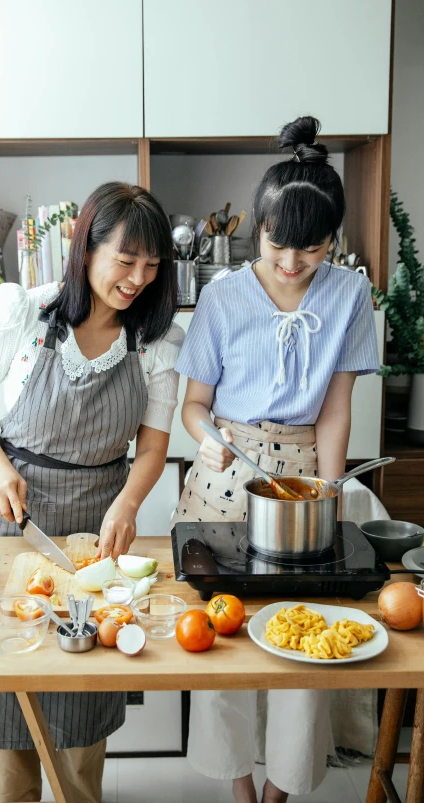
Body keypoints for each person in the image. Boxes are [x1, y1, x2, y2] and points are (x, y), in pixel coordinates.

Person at [171, 116, 380, 803]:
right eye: (275, 245)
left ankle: (280, 791)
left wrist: (324, 488)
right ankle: (238, 788)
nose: (290, 262)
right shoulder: (223, 295)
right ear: (254, 227)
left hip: (301, 475)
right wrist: (204, 434)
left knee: (304, 633)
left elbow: (336, 405)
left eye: (311, 249)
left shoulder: (349, 294)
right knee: (224, 634)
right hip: (224, 469)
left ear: (334, 241)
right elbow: (193, 404)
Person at [0, 181, 184, 803]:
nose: (138, 278)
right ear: (85, 250)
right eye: (125, 260)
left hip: (98, 519)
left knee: (85, 683)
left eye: (151, 265)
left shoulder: (156, 342)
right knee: (9, 688)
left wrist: (129, 502)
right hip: (14, 510)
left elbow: (154, 447)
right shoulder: (26, 313)